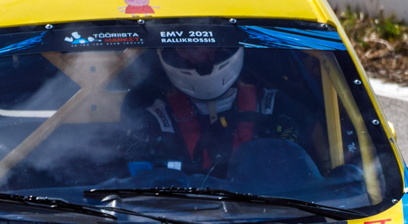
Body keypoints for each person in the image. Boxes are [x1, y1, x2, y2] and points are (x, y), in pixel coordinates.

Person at [125, 45, 305, 176]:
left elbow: (301, 176)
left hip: (268, 210)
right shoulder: (151, 118)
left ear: (224, 47)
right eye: (188, 48)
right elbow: (135, 187)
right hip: (176, 214)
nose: (200, 56)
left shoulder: (275, 108)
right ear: (171, 52)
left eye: (208, 45)